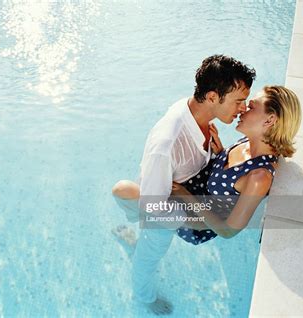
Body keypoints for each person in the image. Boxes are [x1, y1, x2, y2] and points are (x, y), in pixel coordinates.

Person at [111, 54, 256, 315]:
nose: (243, 109)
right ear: (213, 97)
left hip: (170, 191)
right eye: (239, 101)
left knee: (128, 193)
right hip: (163, 212)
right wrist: (198, 218)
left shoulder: (200, 116)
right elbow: (155, 208)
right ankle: (145, 298)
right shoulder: (167, 145)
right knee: (147, 258)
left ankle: (128, 210)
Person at [172, 85, 302, 244]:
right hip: (194, 190)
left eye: (251, 107)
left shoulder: (259, 177)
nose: (242, 109)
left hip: (196, 220)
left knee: (143, 206)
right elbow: (233, 177)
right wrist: (221, 153)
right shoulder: (249, 142)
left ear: (270, 120)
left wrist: (186, 196)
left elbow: (227, 231)